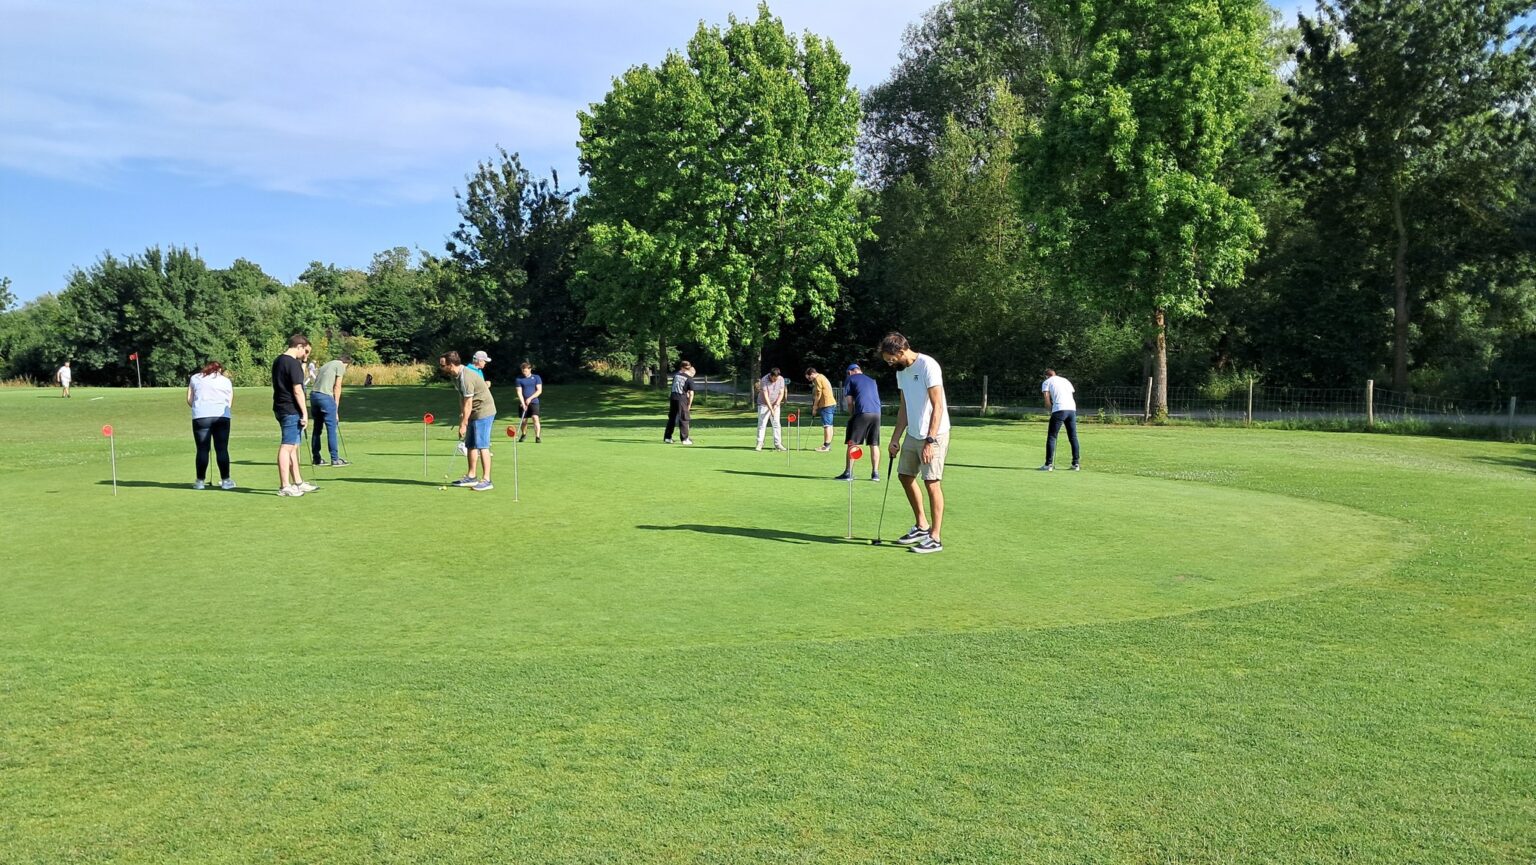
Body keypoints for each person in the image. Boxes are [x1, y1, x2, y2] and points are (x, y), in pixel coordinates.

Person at [882, 332, 949, 554]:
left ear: (901, 351)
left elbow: (938, 406)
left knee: (932, 482)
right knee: (905, 476)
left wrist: (930, 440)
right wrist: (895, 438)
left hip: (934, 434)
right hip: (913, 432)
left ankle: (935, 538)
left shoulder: (928, 365)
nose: (889, 363)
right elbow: (905, 407)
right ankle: (922, 525)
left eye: (891, 359)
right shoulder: (901, 372)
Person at [439, 351, 496, 491]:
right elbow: (462, 397)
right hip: (473, 411)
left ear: (451, 365)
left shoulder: (465, 377)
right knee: (470, 444)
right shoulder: (455, 376)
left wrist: (463, 424)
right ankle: (471, 476)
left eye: (443, 365)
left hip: (484, 410)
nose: (441, 367)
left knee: (482, 445)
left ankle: (487, 480)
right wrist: (463, 414)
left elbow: (469, 402)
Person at [272, 335, 317, 497]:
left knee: (294, 446)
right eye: (305, 351)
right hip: (290, 408)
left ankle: (298, 482)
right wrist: (305, 413)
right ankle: (285, 486)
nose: (305, 355)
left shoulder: (279, 360)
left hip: (281, 407)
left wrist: (303, 362)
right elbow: (298, 390)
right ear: (299, 346)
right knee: (287, 446)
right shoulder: (292, 363)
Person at [187, 361, 235, 490]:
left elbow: (190, 400)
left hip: (201, 416)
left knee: (202, 449)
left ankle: (200, 482)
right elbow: (229, 402)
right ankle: (226, 481)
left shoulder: (195, 378)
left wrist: (200, 408)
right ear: (219, 370)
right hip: (221, 416)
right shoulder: (225, 381)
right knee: (222, 449)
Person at [834, 362, 882, 481]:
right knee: (874, 443)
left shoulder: (850, 379)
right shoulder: (872, 380)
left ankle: (848, 473)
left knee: (852, 443)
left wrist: (852, 415)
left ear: (850, 372)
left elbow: (849, 402)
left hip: (862, 412)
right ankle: (875, 474)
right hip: (876, 413)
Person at [309, 354, 351, 467]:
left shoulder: (326, 365)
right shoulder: (340, 365)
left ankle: (316, 458)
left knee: (317, 428)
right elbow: (337, 387)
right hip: (325, 397)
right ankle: (335, 459)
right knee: (331, 428)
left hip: (314, 396)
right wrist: (335, 409)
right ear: (346, 363)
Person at [1040, 368, 1081, 471]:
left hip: (1059, 409)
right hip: (1071, 409)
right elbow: (1070, 394)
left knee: (1052, 436)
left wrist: (1050, 409)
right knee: (1073, 437)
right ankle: (1076, 464)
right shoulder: (1065, 380)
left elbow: (1047, 398)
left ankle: (1048, 464)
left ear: (1046, 376)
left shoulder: (1047, 382)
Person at [805, 367, 837, 451]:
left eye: (809, 378)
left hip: (826, 404)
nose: (809, 380)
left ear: (812, 374)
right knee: (829, 425)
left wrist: (815, 406)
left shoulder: (817, 379)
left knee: (827, 425)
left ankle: (826, 446)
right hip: (831, 403)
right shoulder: (822, 376)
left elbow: (818, 393)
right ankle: (827, 445)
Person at [756, 367, 787, 451]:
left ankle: (778, 444)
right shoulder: (764, 380)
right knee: (762, 424)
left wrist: (776, 404)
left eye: (776, 378)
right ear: (771, 375)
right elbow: (766, 396)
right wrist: (771, 409)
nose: (775, 380)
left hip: (775, 404)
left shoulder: (781, 379)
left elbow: (781, 393)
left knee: (776, 424)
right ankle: (759, 443)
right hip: (763, 404)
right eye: (774, 378)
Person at [664, 361, 695, 445]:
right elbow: (691, 394)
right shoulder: (689, 379)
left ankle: (667, 437)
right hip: (681, 399)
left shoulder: (676, 376)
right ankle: (684, 439)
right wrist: (689, 405)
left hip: (673, 397)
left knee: (672, 418)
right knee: (684, 418)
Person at [515, 361, 544, 443]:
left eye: (525, 371)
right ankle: (524, 434)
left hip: (534, 402)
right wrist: (523, 403)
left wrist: (530, 398)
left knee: (535, 418)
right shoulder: (518, 379)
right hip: (523, 402)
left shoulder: (536, 377)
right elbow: (519, 392)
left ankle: (537, 437)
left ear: (530, 369)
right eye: (523, 371)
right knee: (524, 421)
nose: (524, 372)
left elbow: (539, 391)